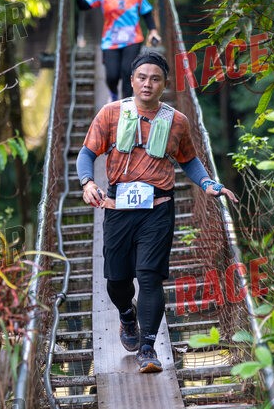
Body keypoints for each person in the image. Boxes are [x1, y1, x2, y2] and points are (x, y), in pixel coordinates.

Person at [75, 50, 238, 373]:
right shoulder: (110, 114)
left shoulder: (177, 121)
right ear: (132, 80)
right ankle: (127, 315)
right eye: (142, 77)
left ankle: (148, 349)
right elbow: (86, 153)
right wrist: (87, 183)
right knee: (117, 281)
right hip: (118, 207)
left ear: (165, 84)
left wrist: (207, 183)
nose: (147, 84)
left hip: (158, 208)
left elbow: (189, 159)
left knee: (150, 277)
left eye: (155, 79)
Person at [69, 0, 161, 102]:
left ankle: (126, 104)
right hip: (110, 41)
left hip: (133, 40)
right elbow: (84, 6)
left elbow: (147, 13)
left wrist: (153, 31)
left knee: (128, 73)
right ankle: (112, 93)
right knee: (112, 76)